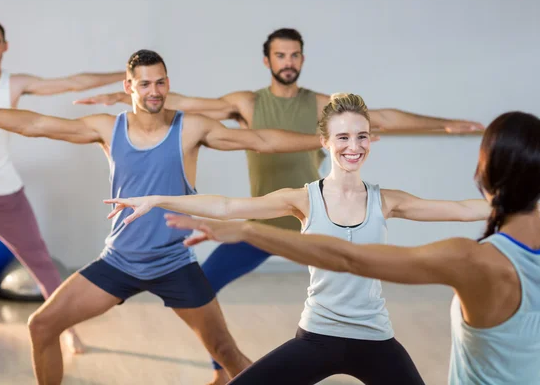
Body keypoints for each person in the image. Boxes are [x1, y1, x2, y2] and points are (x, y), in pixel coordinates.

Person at [77, 28, 486, 378]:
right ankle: (225, 368)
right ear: (267, 60)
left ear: (302, 59)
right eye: (280, 55)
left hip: (323, 223)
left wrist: (442, 123)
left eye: (294, 55)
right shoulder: (248, 103)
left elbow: (386, 118)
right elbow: (181, 106)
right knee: (205, 285)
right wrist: (127, 94)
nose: (288, 62)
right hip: (276, 218)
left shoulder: (322, 105)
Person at [106, 93, 540, 384]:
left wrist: (534, 209)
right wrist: (159, 198)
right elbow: (225, 206)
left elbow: (462, 208)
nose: (353, 146)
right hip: (316, 334)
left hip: (375, 338)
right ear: (324, 142)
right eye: (342, 137)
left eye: (361, 136)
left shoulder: (386, 200)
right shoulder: (302, 199)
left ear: (371, 139)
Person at [0, 48, 329, 385]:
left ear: (169, 83)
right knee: (41, 326)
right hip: (120, 260)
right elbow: (34, 125)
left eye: (161, 81)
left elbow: (261, 140)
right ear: (128, 87)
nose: (155, 90)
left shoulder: (191, 128)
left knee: (226, 352)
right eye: (146, 83)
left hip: (174, 263)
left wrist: (325, 140)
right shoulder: (107, 128)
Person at [0, 19, 126, 354]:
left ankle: (68, 331)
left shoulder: (14, 84)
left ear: (5, 46)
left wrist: (124, 74)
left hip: (4, 193)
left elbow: (72, 82)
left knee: (41, 264)